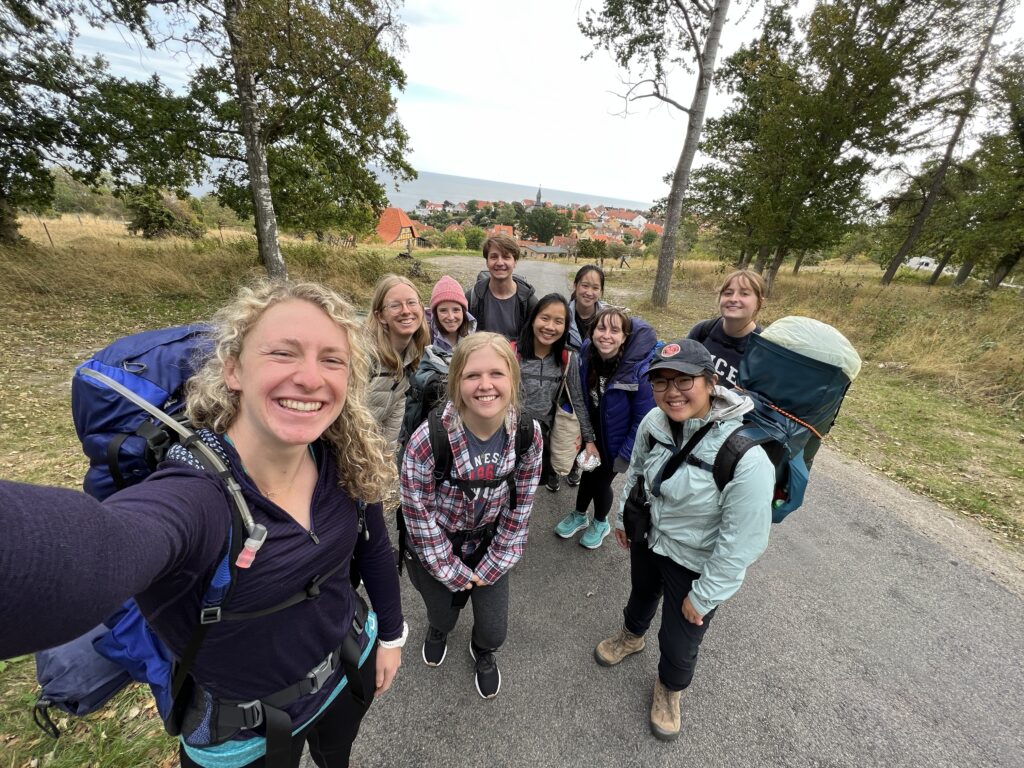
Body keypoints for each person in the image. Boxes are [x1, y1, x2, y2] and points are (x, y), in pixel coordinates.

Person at [0, 281, 406, 768]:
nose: (310, 377)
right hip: (243, 735)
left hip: (346, 674)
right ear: (233, 369)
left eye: (332, 360)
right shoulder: (196, 496)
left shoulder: (342, 457)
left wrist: (391, 637)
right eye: (283, 353)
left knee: (335, 756)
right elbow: (98, 551)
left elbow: (375, 548)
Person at [593, 339, 773, 741]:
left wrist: (707, 594)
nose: (671, 392)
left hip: (694, 562)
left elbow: (742, 540)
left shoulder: (744, 456)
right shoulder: (653, 423)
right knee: (641, 593)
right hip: (649, 538)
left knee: (681, 635)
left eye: (684, 380)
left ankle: (669, 690)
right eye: (660, 382)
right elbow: (637, 470)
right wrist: (623, 515)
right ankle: (631, 637)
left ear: (710, 382)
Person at [399, 333, 542, 699]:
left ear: (512, 379)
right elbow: (418, 514)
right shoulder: (428, 440)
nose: (485, 385)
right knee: (442, 614)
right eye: (472, 375)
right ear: (456, 382)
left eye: (497, 373)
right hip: (439, 545)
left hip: (490, 543)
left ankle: (482, 651)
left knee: (495, 630)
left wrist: (492, 564)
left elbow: (521, 504)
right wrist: (453, 572)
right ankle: (439, 629)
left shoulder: (527, 434)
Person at [554, 307, 656, 550]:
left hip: (618, 442)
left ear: (624, 337)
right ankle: (580, 514)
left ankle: (601, 522)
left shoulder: (638, 371)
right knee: (588, 474)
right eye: (601, 328)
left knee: (600, 482)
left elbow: (643, 419)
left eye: (615, 330)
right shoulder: (589, 356)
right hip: (594, 434)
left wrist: (625, 454)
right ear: (592, 331)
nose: (606, 335)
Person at [515, 293, 596, 493]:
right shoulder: (512, 353)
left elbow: (577, 399)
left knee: (527, 490)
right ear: (533, 319)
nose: (550, 327)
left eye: (559, 321)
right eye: (545, 318)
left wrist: (589, 440)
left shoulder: (567, 358)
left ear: (566, 327)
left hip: (542, 439)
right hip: (510, 434)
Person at [402, 275, 477, 441]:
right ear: (434, 312)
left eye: (456, 310)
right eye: (443, 310)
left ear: (464, 312)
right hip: (426, 417)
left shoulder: (473, 341)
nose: (450, 316)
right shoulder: (422, 338)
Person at [365, 275, 430, 453]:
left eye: (411, 303)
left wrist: (385, 469)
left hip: (371, 453)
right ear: (381, 316)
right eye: (395, 305)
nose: (406, 311)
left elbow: (391, 430)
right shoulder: (363, 355)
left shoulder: (412, 357)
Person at [687, 269, 766, 388]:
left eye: (744, 293)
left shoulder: (762, 349)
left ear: (759, 302)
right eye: (728, 293)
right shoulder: (702, 331)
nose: (733, 299)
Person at [464, 233, 538, 340]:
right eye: (494, 257)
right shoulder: (472, 298)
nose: (499, 262)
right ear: (487, 262)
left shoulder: (529, 302)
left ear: (515, 262)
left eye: (506, 257)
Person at [566, 264, 607, 354]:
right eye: (585, 286)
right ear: (575, 285)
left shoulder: (608, 318)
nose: (589, 293)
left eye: (595, 288)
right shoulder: (562, 314)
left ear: (601, 291)